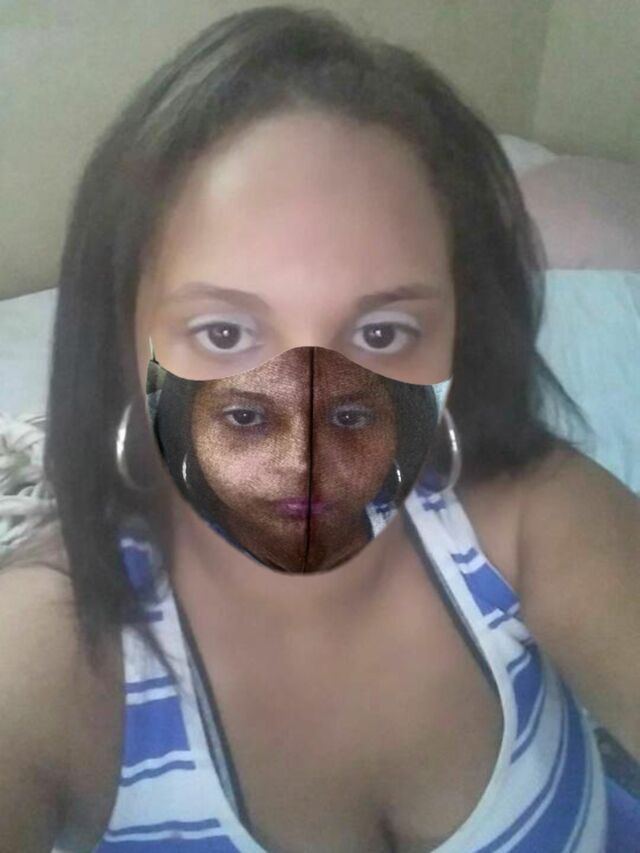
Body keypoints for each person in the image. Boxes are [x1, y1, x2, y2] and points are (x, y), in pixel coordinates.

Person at [1, 6, 638, 852]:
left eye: (382, 331)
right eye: (224, 331)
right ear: (124, 341)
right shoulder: (46, 655)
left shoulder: (532, 517)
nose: (306, 435)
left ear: (460, 330)